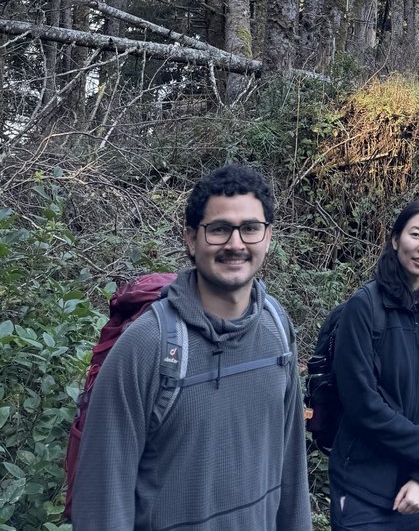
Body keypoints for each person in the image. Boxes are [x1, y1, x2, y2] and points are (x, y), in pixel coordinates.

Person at [71, 163, 311, 531]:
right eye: (218, 229)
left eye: (249, 228)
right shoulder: (147, 345)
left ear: (268, 237)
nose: (235, 244)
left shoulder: (277, 328)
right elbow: (102, 500)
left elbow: (292, 467)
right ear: (190, 238)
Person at [329, 198, 419, 530]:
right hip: (362, 490)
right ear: (395, 240)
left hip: (418, 493)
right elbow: (362, 404)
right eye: (415, 234)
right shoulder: (365, 308)